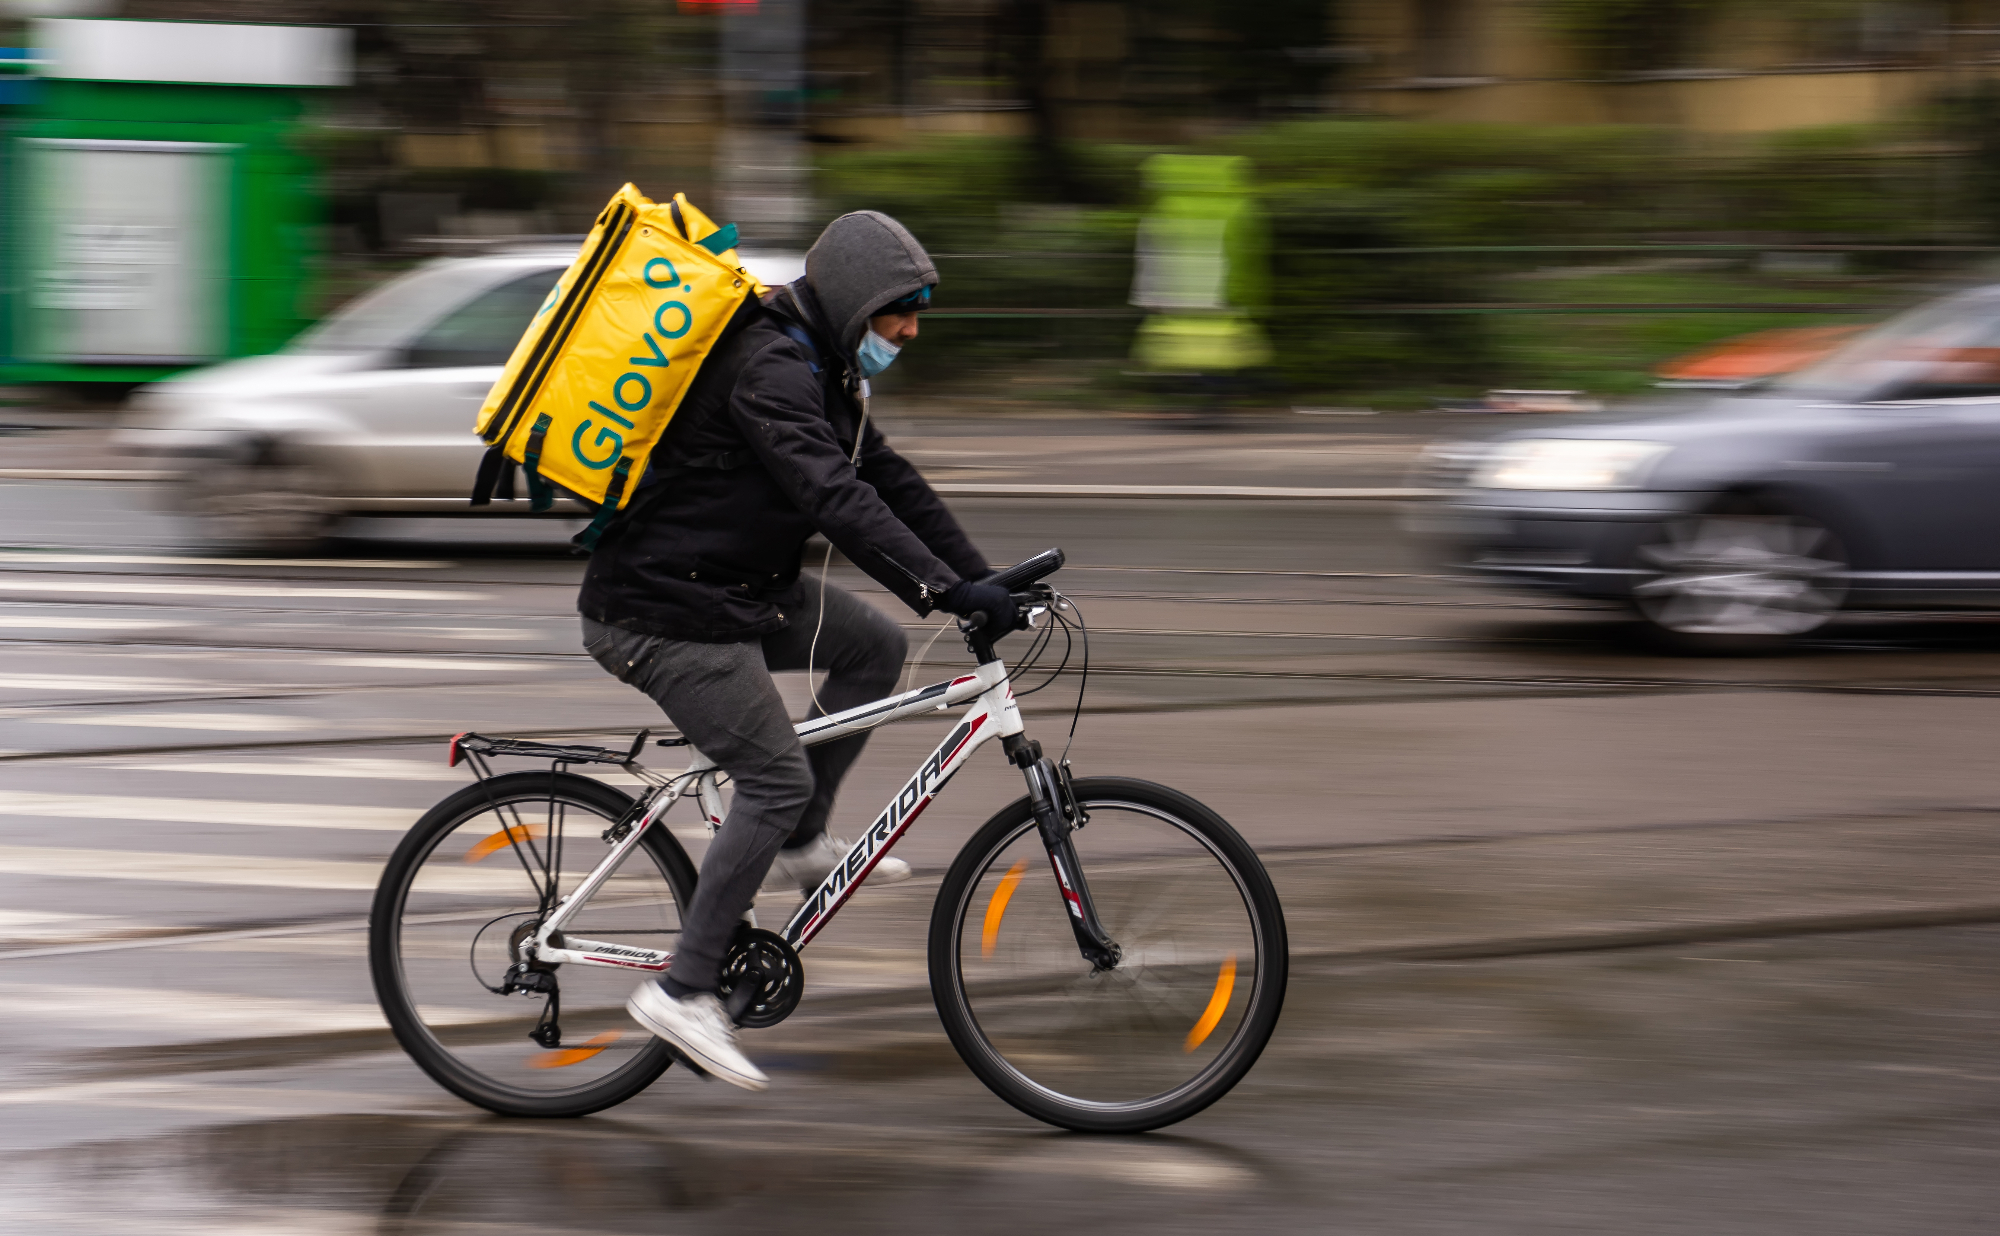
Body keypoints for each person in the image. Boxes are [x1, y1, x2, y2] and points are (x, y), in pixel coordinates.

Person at [577, 210, 1019, 1091]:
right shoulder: (770, 367)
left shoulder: (827, 367)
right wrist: (941, 588)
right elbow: (834, 499)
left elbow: (887, 480)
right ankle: (685, 990)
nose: (911, 330)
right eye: (901, 310)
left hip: (735, 589)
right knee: (772, 776)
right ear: (856, 303)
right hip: (664, 610)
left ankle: (800, 836)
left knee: (874, 646)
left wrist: (983, 579)